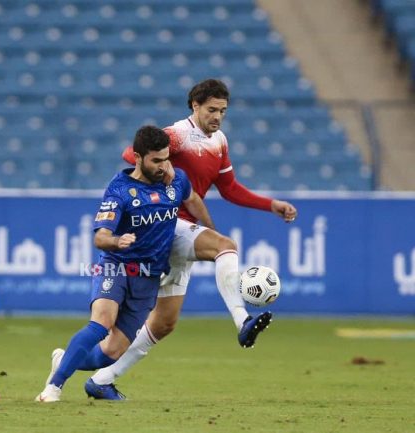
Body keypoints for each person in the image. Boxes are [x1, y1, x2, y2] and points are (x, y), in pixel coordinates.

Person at [84, 78, 298, 399]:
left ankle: (99, 379)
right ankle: (242, 321)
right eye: (212, 110)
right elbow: (131, 153)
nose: (218, 117)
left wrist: (270, 204)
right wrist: (167, 166)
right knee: (226, 246)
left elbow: (230, 190)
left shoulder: (220, 142)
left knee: (163, 324)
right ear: (195, 106)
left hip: (180, 234)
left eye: (223, 111)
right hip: (167, 224)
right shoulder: (177, 134)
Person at [35, 125, 213, 402]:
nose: (162, 166)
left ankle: (63, 360)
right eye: (156, 160)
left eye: (166, 158)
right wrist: (117, 241)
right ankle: (53, 388)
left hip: (149, 276)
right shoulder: (120, 190)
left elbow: (192, 199)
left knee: (109, 355)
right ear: (138, 157)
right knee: (100, 324)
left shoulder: (176, 179)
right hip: (116, 266)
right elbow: (100, 238)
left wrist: (210, 232)